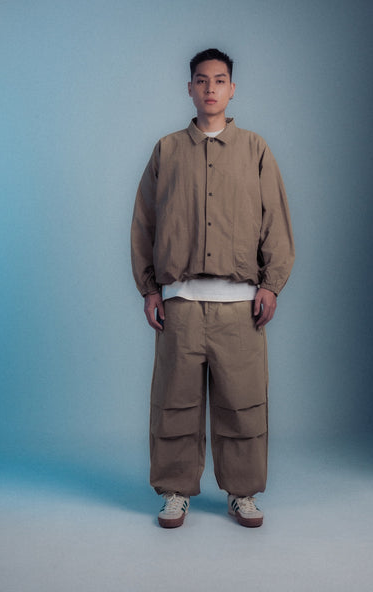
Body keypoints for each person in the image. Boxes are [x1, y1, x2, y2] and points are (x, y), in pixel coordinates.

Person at [130, 48, 294, 528]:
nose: (210, 89)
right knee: (174, 405)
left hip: (240, 309)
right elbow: (144, 223)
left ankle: (242, 493)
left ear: (232, 89)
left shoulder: (255, 150)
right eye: (201, 80)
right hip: (180, 306)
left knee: (242, 405)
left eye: (219, 80)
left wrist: (272, 285)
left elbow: (276, 222)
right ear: (189, 88)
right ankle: (175, 490)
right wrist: (149, 289)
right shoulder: (166, 151)